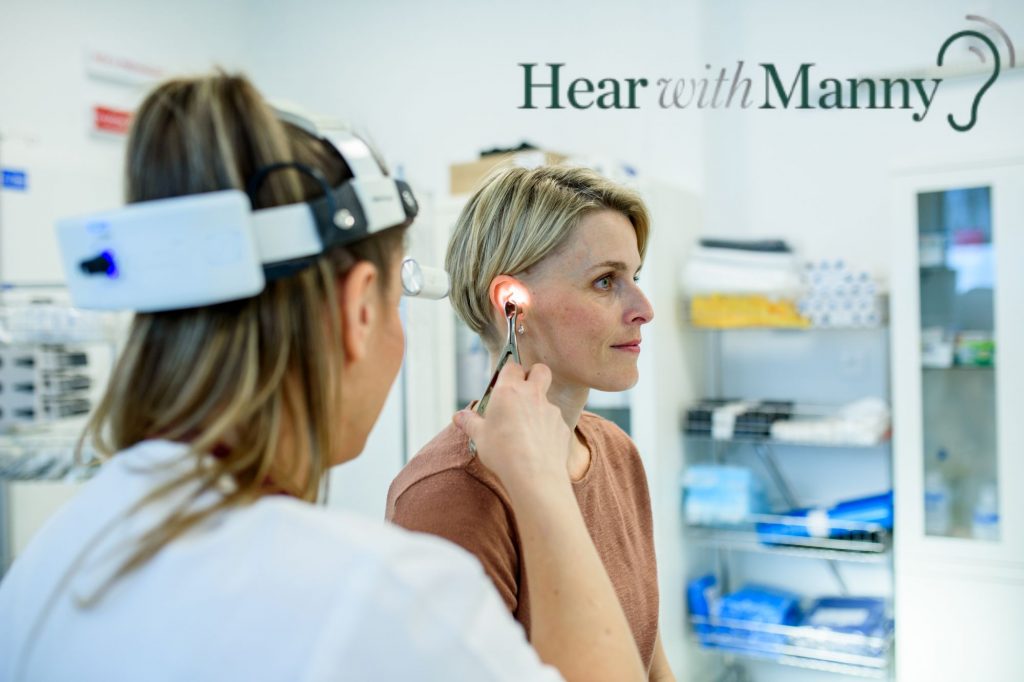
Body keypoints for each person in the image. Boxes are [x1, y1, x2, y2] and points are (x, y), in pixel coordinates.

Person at [0, 73, 648, 682]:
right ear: (358, 307)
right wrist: (539, 487)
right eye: (399, 298)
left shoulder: (51, 562)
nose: (639, 308)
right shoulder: (380, 595)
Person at [387, 165, 676, 681]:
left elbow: (647, 655)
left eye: (636, 278)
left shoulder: (614, 450)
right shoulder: (446, 496)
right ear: (512, 305)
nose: (644, 309)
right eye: (606, 281)